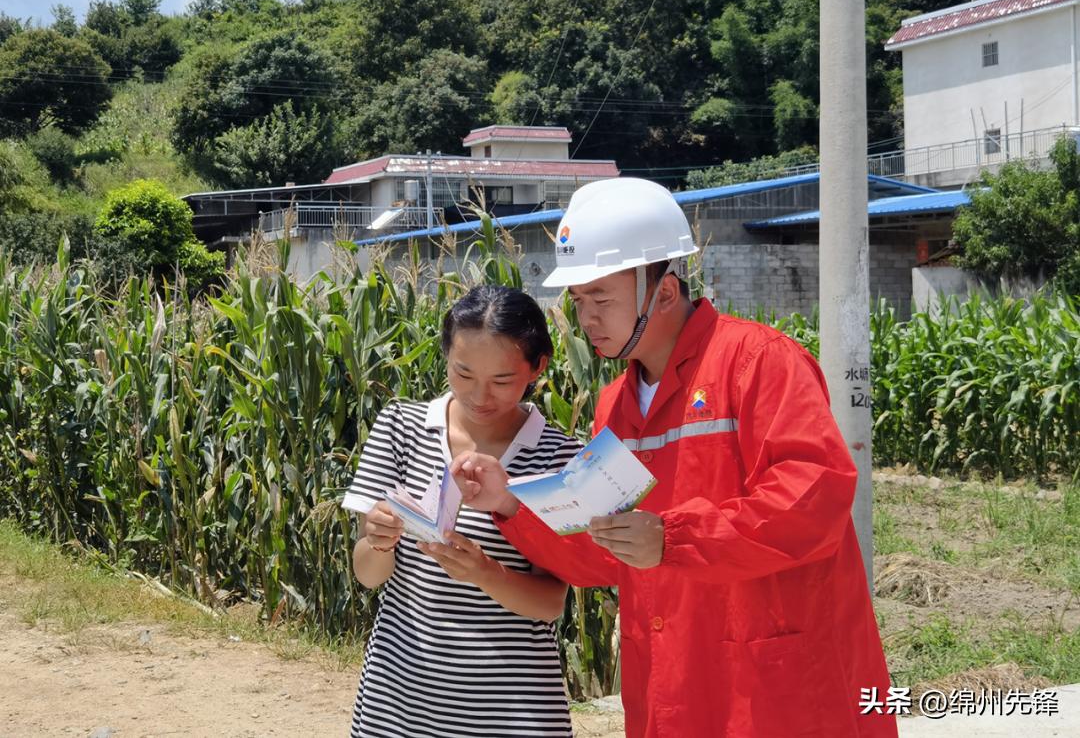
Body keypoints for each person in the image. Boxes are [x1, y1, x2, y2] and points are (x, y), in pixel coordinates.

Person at [448, 178, 898, 737]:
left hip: (773, 692)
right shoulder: (614, 407)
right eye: (580, 300)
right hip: (673, 684)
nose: (587, 319)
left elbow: (814, 501)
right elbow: (605, 550)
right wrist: (511, 506)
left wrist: (674, 539)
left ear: (663, 292)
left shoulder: (758, 362)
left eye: (602, 298)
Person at [341, 285, 581, 738]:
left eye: (503, 381)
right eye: (463, 373)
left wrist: (484, 572)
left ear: (538, 368)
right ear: (447, 356)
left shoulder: (559, 458)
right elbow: (368, 574)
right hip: (398, 703)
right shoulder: (401, 428)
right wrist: (378, 540)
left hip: (514, 709)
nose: (479, 396)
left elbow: (551, 603)